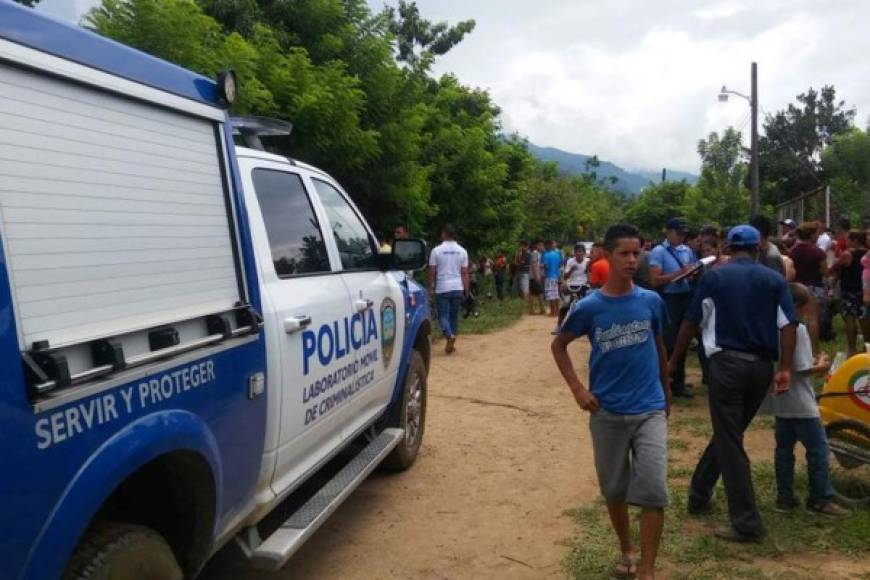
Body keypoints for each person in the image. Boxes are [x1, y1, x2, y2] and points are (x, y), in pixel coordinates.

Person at [551, 223, 669, 580]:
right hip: (607, 412)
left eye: (637, 253)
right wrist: (578, 390)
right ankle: (626, 549)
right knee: (615, 490)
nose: (633, 260)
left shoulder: (652, 301)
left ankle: (646, 568)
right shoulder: (590, 307)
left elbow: (660, 348)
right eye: (625, 253)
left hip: (649, 409)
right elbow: (559, 346)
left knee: (653, 491)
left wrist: (665, 394)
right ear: (607, 254)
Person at [668, 225, 797, 542]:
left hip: (726, 366)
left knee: (730, 442)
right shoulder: (774, 279)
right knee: (730, 434)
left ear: (727, 246)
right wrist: (785, 368)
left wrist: (673, 362)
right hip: (761, 369)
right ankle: (699, 494)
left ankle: (747, 523)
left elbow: (691, 320)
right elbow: (789, 325)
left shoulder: (715, 277)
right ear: (757, 248)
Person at [771, 283, 850, 517]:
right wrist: (823, 364)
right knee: (818, 449)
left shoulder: (771, 326)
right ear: (799, 306)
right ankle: (820, 498)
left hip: (781, 401)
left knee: (783, 451)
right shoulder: (798, 329)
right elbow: (803, 369)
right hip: (802, 403)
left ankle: (785, 497)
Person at [649, 217, 698, 398]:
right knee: (668, 341)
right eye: (678, 233)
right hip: (669, 299)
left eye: (683, 234)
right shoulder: (658, 252)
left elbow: (691, 270)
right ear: (668, 232)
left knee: (683, 341)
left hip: (685, 297)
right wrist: (679, 273)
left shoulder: (687, 250)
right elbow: (655, 280)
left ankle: (679, 383)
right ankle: (664, 382)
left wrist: (691, 274)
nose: (681, 237)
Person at [428, 224, 469, 355]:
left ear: (444, 234)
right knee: (453, 316)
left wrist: (430, 288)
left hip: (442, 288)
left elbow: (432, 272)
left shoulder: (436, 251)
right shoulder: (462, 251)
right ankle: (450, 343)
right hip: (457, 287)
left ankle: (449, 335)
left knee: (442, 316)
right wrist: (466, 289)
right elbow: (465, 273)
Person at [790, 222, 828, 352]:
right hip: (815, 287)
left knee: (797, 320)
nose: (818, 236)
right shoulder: (818, 252)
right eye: (816, 234)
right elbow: (825, 272)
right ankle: (815, 350)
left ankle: (799, 349)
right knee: (813, 319)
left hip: (798, 288)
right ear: (811, 235)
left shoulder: (793, 251)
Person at [830, 230, 868, 355]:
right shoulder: (867, 253)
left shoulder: (848, 253)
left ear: (855, 240)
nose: (847, 242)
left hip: (850, 290)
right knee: (864, 318)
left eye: (849, 240)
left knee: (850, 318)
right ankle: (867, 346)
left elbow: (836, 266)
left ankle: (852, 348)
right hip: (864, 289)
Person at [542, 240, 563, 317]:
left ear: (548, 246)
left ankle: (552, 312)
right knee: (556, 294)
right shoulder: (557, 254)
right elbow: (560, 264)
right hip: (556, 276)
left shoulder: (546, 255)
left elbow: (546, 266)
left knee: (551, 295)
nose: (544, 248)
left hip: (549, 276)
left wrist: (543, 266)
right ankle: (557, 311)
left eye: (545, 246)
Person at [529, 240, 546, 314]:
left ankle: (531, 310)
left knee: (532, 293)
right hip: (535, 276)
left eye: (542, 245)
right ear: (537, 245)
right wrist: (537, 276)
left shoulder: (539, 254)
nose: (542, 247)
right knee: (540, 292)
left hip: (535, 275)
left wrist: (541, 266)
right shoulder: (535, 253)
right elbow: (534, 265)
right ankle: (542, 309)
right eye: (541, 245)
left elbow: (537, 264)